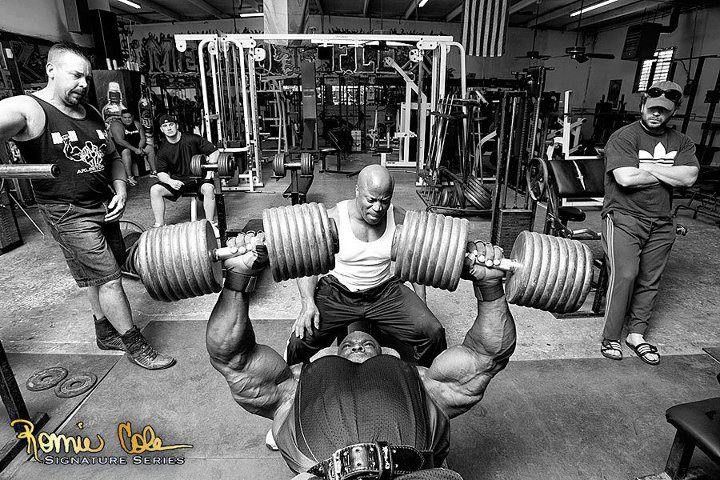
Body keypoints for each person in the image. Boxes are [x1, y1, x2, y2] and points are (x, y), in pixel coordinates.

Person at [205, 232, 516, 479]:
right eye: (350, 344)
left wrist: (490, 287)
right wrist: (236, 281)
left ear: (389, 351)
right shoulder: (294, 385)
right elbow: (232, 358)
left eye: (368, 344)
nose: (356, 344)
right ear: (330, 350)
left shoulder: (422, 382)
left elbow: (487, 355)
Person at [0, 42, 175, 370]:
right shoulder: (30, 108)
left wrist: (121, 189)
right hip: (67, 212)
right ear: (51, 71)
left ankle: (103, 329)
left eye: (87, 78)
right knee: (110, 277)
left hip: (103, 203)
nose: (83, 83)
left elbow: (111, 157)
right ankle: (135, 345)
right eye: (76, 76)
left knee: (95, 273)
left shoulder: (91, 112)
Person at [287, 165, 445, 368]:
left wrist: (421, 303)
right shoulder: (333, 217)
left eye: (384, 201)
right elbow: (308, 262)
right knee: (299, 341)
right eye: (371, 200)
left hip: (384, 291)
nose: (378, 208)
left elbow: (415, 259)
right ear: (357, 191)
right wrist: (307, 303)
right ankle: (296, 391)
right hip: (338, 291)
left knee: (432, 332)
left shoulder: (398, 218)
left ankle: (424, 383)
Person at [600, 80, 699, 365]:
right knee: (626, 275)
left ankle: (637, 334)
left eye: (663, 112)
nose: (656, 115)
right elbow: (625, 178)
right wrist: (670, 170)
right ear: (642, 105)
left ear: (672, 113)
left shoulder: (682, 142)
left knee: (650, 280)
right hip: (624, 217)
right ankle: (610, 337)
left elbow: (690, 178)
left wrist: (646, 166)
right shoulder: (624, 136)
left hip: (663, 221)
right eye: (652, 109)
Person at [150, 114, 219, 231]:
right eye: (165, 126)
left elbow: (214, 152)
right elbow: (161, 173)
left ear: (176, 126)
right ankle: (159, 225)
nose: (169, 128)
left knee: (208, 188)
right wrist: (170, 181)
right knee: (155, 190)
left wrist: (209, 172)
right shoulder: (162, 149)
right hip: (178, 182)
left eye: (171, 124)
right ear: (162, 129)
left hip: (199, 180)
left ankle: (210, 225)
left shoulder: (192, 139)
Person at [108, 109, 156, 186]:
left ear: (132, 117)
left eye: (129, 117)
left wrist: (140, 148)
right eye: (125, 117)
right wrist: (135, 150)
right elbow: (119, 140)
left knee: (150, 148)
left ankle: (154, 172)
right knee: (126, 151)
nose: (127, 119)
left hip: (136, 146)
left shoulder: (137, 124)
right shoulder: (116, 124)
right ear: (121, 117)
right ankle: (129, 177)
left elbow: (143, 138)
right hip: (122, 147)